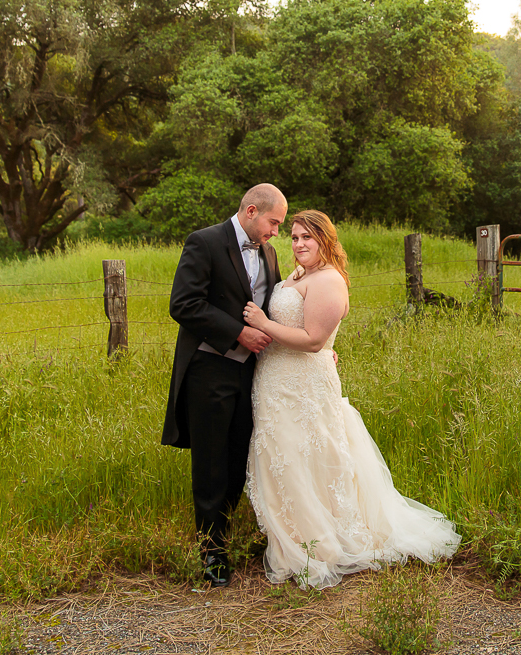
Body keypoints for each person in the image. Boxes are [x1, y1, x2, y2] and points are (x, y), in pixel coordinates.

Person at [242, 210, 460, 589]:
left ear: (326, 239)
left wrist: (263, 324)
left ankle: (321, 543)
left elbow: (312, 341)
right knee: (282, 457)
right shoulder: (298, 275)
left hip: (304, 384)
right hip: (274, 381)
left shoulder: (329, 280)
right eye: (293, 237)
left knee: (307, 455)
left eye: (307, 237)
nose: (298, 244)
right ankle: (292, 538)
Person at [164, 184, 287, 587]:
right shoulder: (204, 242)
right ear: (251, 211)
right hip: (209, 370)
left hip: (252, 373)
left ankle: (227, 534)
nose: (276, 232)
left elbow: (277, 308)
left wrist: (316, 350)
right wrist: (238, 334)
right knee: (211, 462)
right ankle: (212, 553)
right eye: (273, 223)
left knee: (240, 457)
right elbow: (183, 303)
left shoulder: (268, 253)